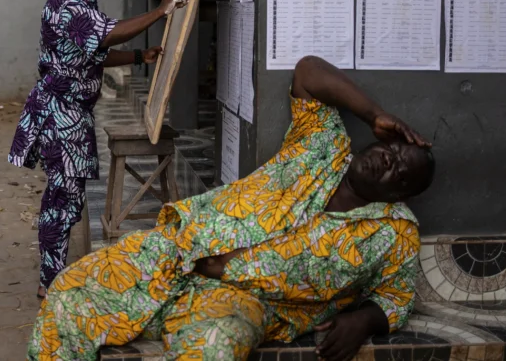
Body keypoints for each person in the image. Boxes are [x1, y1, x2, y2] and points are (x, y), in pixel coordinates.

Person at [29, 56, 436, 361]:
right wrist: (375, 114)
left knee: (215, 348)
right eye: (394, 150)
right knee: (68, 296)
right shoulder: (323, 144)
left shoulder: (394, 232)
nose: (389, 161)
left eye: (401, 173)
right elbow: (308, 71)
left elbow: (396, 298)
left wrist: (364, 320)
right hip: (175, 253)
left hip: (240, 301)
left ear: (399, 195)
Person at [9, 0, 186, 297]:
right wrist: (161, 12)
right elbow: (106, 34)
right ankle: (50, 285)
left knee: (67, 200)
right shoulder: (70, 2)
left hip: (71, 115)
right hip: (60, 116)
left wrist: (140, 55)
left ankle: (53, 276)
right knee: (61, 201)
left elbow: (91, 53)